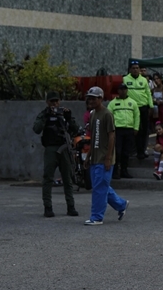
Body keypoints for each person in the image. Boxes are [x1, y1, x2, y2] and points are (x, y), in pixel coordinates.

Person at [84, 87, 128, 225]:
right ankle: (121, 204)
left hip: (104, 158)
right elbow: (93, 137)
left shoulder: (107, 114)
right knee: (100, 186)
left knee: (99, 188)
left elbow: (111, 136)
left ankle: (97, 217)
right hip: (95, 156)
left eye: (94, 98)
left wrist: (108, 157)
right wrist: (88, 156)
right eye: (89, 98)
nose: (91, 100)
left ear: (100, 98)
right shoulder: (92, 114)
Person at [32, 92, 78, 218]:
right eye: (52, 101)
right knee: (48, 178)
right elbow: (36, 129)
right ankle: (48, 207)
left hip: (64, 148)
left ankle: (71, 206)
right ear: (47, 102)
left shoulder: (64, 114)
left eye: (56, 101)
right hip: (51, 149)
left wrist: (69, 118)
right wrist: (46, 116)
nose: (55, 104)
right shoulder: (44, 114)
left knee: (67, 178)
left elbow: (75, 129)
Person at [122, 61, 152, 159]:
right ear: (130, 69)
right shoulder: (125, 79)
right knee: (136, 130)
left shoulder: (144, 80)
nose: (135, 70)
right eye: (133, 68)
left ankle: (142, 150)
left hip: (143, 107)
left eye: (137, 68)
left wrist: (151, 106)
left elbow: (148, 93)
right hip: (132, 108)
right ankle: (135, 151)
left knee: (145, 130)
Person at [108, 83, 138, 179]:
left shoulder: (133, 102)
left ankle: (124, 171)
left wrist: (136, 128)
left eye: (125, 89)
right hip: (117, 130)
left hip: (129, 129)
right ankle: (115, 171)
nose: (123, 91)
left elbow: (137, 116)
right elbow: (109, 117)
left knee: (126, 152)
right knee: (117, 151)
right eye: (121, 89)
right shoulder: (112, 103)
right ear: (118, 91)